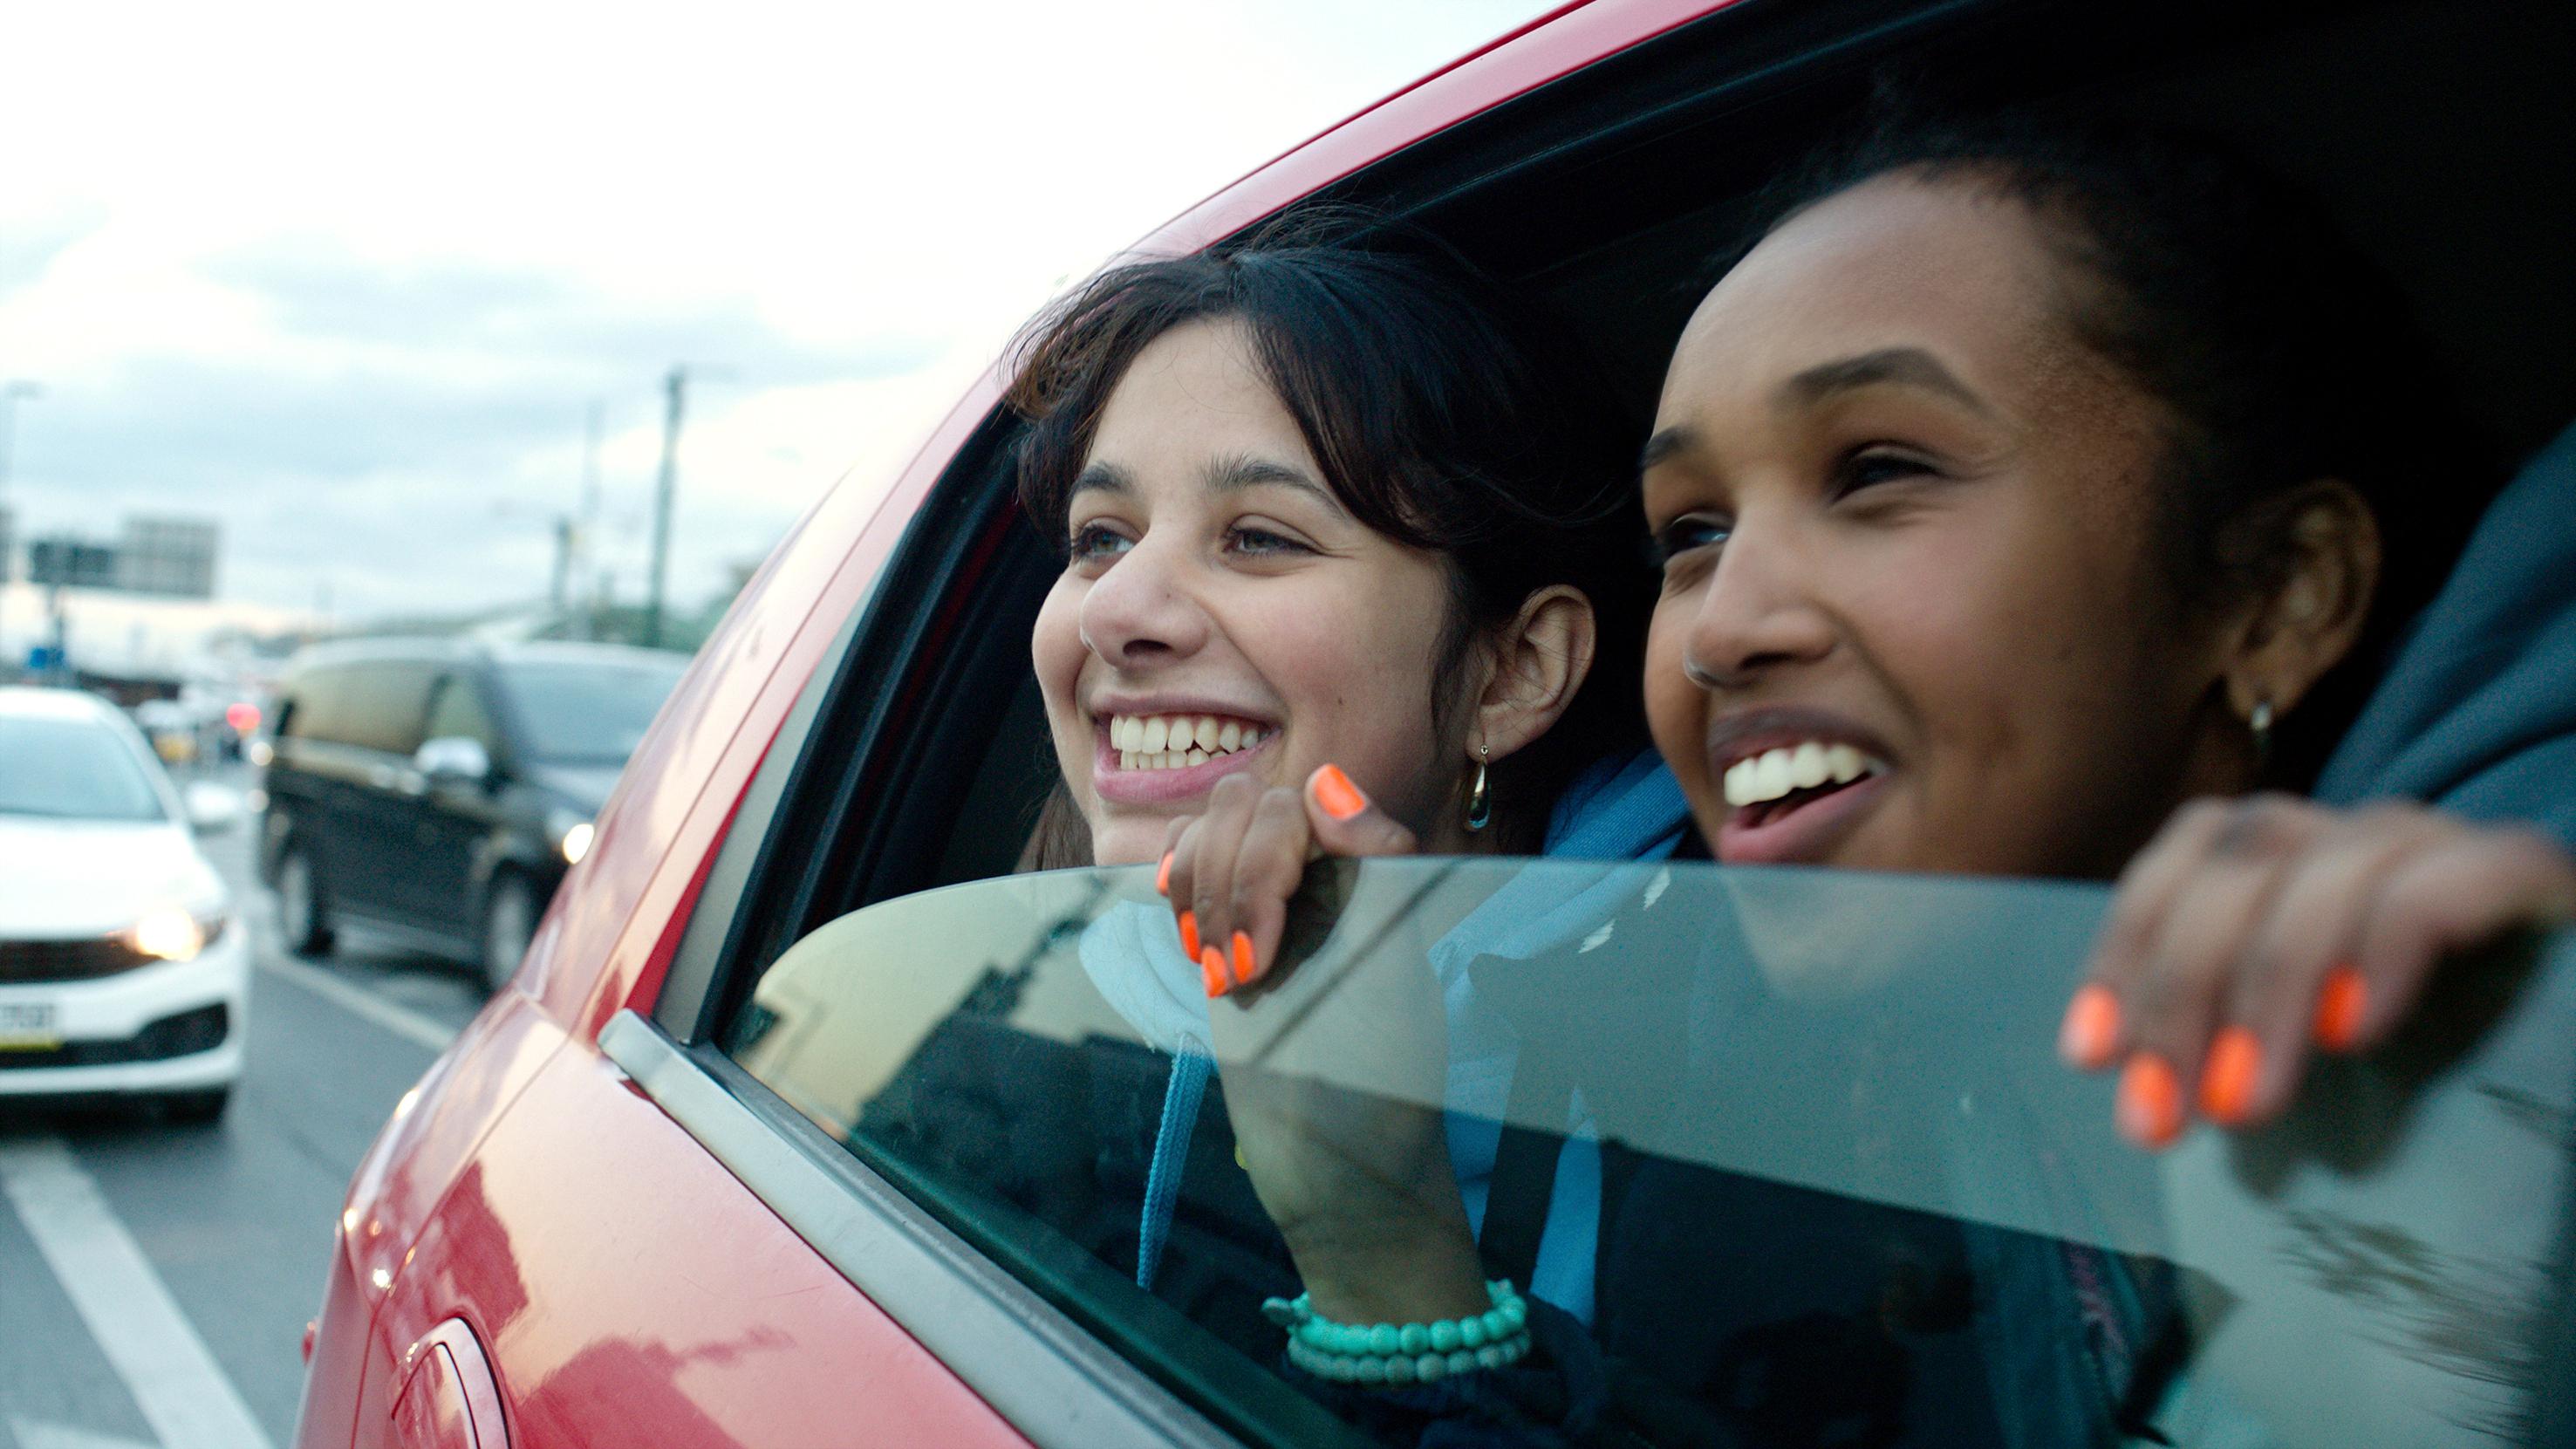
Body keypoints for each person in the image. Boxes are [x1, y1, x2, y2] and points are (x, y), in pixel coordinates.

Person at [1619, 113, 2576, 1445]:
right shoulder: (1979, 1055)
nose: (1721, 627)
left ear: (2276, 594)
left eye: (1877, 469)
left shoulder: (2511, 1048)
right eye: (1691, 531)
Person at [1008, 213, 1692, 1365]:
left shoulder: (1745, 1097)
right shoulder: (1017, 1033)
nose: (1115, 609)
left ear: (1514, 672)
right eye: (1100, 536)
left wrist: (1379, 1240)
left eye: (1260, 537)